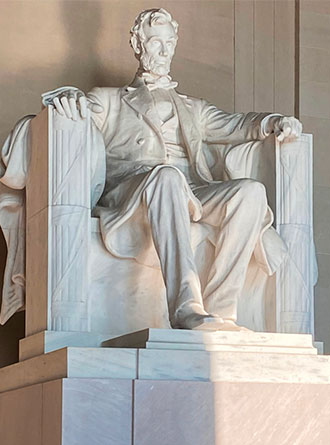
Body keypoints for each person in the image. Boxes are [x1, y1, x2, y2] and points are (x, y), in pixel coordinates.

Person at [44, 7, 302, 331]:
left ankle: (221, 311)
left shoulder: (195, 108)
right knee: (166, 177)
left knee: (251, 192)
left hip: (191, 192)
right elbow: (76, 105)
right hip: (134, 190)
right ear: (138, 45)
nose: (164, 52)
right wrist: (68, 98)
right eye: (155, 43)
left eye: (169, 44)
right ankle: (185, 307)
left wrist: (273, 122)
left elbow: (238, 124)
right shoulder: (111, 100)